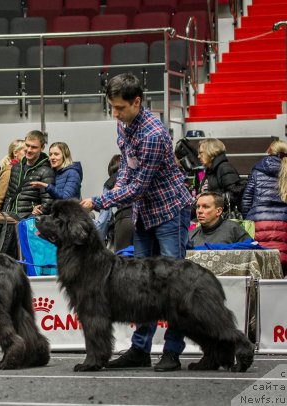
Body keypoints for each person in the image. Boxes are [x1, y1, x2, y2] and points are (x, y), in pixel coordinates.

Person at [80, 73, 193, 372]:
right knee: (141, 285)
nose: (114, 114)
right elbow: (127, 170)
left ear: (137, 102)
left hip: (170, 211)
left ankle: (172, 351)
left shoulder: (153, 134)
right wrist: (114, 191)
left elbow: (138, 186)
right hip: (144, 212)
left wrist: (100, 200)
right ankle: (140, 349)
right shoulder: (124, 123)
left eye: (120, 108)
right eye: (112, 108)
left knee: (173, 284)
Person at [242, 140, 287, 274]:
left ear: (269, 151)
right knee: (282, 262)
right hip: (284, 222)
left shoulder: (257, 169)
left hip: (259, 222)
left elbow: (246, 200)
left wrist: (250, 219)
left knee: (260, 263)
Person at [0, 130, 55, 218]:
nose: (29, 150)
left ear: (42, 148)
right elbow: (9, 196)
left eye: (34, 147)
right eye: (27, 145)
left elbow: (48, 202)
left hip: (28, 222)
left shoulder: (46, 171)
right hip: (9, 219)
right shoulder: (16, 168)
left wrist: (32, 216)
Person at [93, 155, 133, 250]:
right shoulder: (135, 176)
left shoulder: (110, 183)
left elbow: (105, 218)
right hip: (141, 221)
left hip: (124, 223)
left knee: (125, 260)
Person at [197, 138, 244, 211]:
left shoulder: (224, 168)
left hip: (223, 218)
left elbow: (235, 194)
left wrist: (210, 199)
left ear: (211, 152)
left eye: (201, 153)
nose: (198, 156)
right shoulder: (210, 171)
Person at [0, 139, 25, 212]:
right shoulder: (9, 171)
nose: (28, 153)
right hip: (9, 218)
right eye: (25, 151)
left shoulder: (24, 170)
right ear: (15, 153)